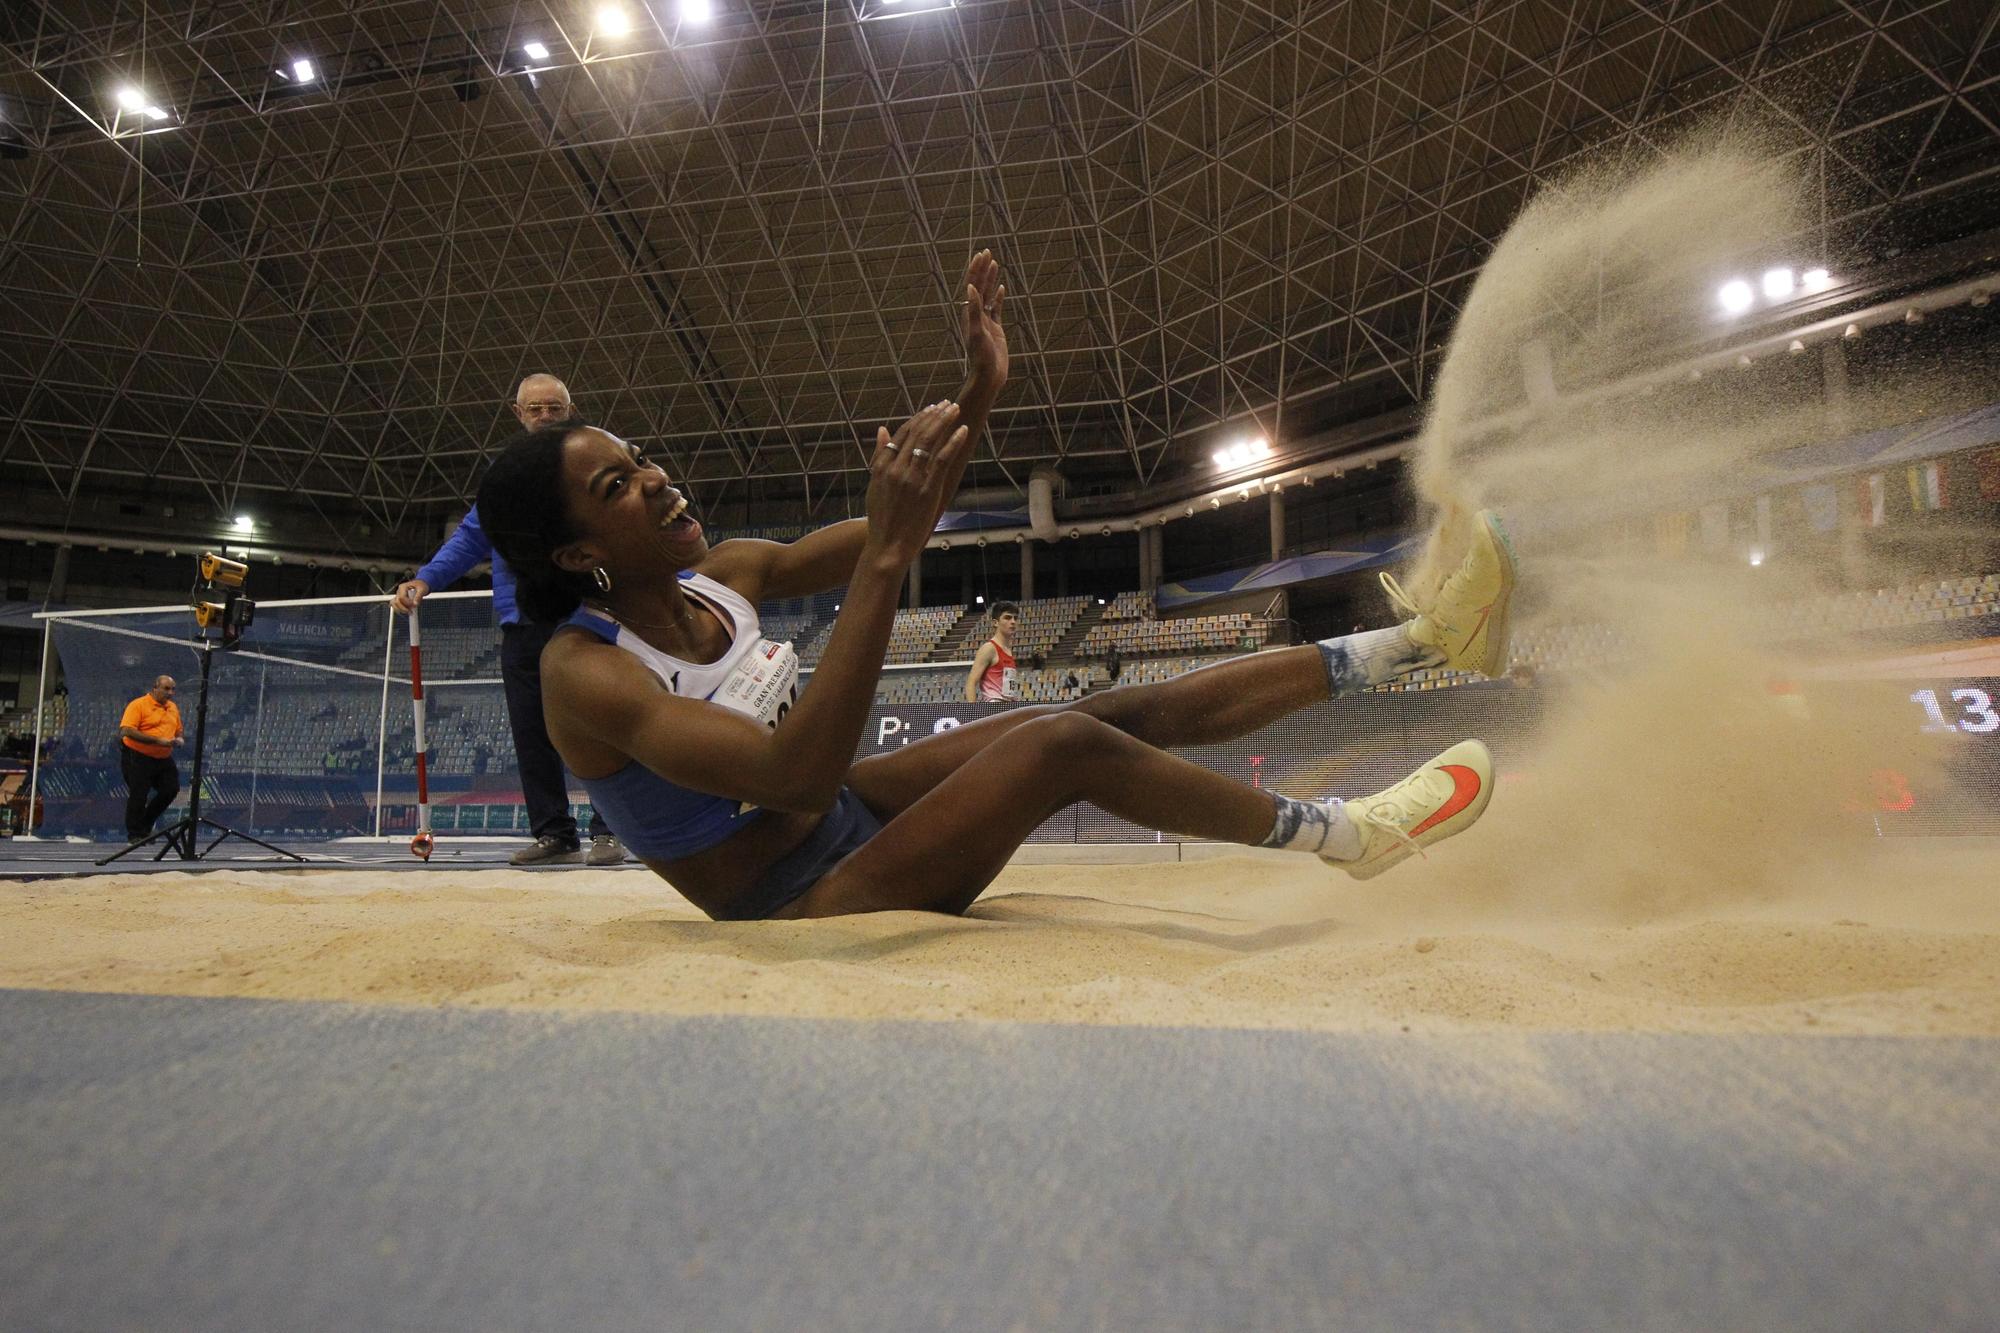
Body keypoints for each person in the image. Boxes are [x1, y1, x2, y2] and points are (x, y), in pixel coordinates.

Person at [474, 252, 1520, 920]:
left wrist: (979, 393)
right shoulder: (584, 674)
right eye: (617, 485)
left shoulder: (730, 572)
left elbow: (907, 507)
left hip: (844, 812)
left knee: (1094, 710)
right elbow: (789, 776)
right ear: (575, 556)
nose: (656, 481)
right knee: (1055, 746)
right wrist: (883, 563)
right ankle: (1349, 835)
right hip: (795, 893)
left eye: (641, 458)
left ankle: (1421, 644)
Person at [394, 374, 625, 867]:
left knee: (600, 725)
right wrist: (426, 579)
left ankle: (611, 831)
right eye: (535, 409)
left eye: (554, 408)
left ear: (571, 409)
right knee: (532, 731)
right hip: (522, 622)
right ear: (517, 413)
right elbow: (473, 537)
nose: (545, 416)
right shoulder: (507, 476)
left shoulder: (596, 460)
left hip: (588, 615)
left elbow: (633, 522)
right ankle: (555, 834)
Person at [117, 674, 183, 843]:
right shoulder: (138, 705)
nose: (170, 693)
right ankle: (135, 833)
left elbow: (178, 729)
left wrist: (179, 738)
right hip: (138, 755)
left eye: (173, 689)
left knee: (171, 789)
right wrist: (156, 740)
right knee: (139, 794)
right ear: (155, 688)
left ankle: (145, 825)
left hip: (163, 757)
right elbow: (126, 730)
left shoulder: (173, 708)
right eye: (166, 689)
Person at [965, 603, 1020, 702]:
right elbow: (971, 683)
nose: (1013, 622)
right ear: (996, 623)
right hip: (993, 707)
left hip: (1009, 707)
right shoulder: (989, 649)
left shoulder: (1009, 650)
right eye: (1007, 618)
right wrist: (972, 713)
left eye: (1015, 618)